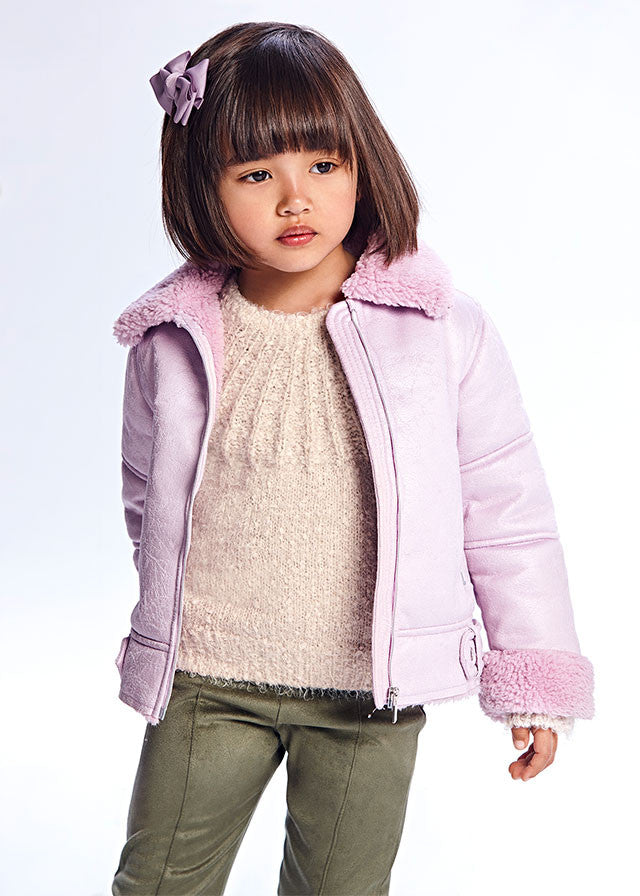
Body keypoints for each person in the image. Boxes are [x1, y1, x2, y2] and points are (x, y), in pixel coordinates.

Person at [110, 21, 595, 896]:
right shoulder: (173, 340)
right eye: (256, 174)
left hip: (369, 696)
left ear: (363, 164)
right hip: (207, 680)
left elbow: (507, 513)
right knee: (157, 884)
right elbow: (149, 499)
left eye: (323, 164)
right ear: (201, 185)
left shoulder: (440, 331)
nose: (296, 200)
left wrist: (533, 676)